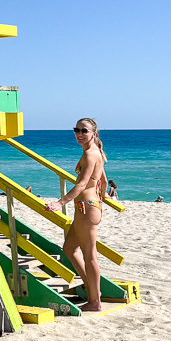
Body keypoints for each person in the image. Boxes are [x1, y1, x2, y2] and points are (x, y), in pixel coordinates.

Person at [44, 118, 107, 313]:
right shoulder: (96, 152)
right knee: (69, 249)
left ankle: (95, 302)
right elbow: (103, 181)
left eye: (84, 131)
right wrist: (102, 197)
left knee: (90, 257)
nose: (80, 134)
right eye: (77, 130)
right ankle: (92, 289)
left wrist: (60, 203)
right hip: (89, 208)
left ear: (94, 133)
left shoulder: (89, 154)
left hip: (86, 209)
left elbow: (81, 184)